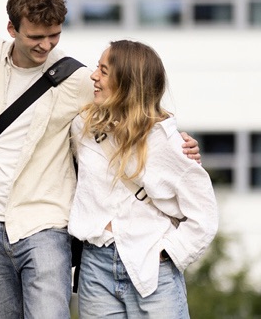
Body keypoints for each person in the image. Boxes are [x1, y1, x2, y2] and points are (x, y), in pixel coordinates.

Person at [0, 0, 201, 319]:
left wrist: (177, 141)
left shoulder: (77, 79)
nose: (46, 45)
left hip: (44, 222)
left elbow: (132, 108)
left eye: (54, 35)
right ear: (11, 28)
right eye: (35, 37)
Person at [69, 40, 218, 319]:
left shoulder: (168, 143)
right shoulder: (83, 128)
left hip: (151, 268)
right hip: (95, 266)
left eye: (103, 71)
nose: (93, 76)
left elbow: (204, 216)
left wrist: (170, 253)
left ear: (125, 83)